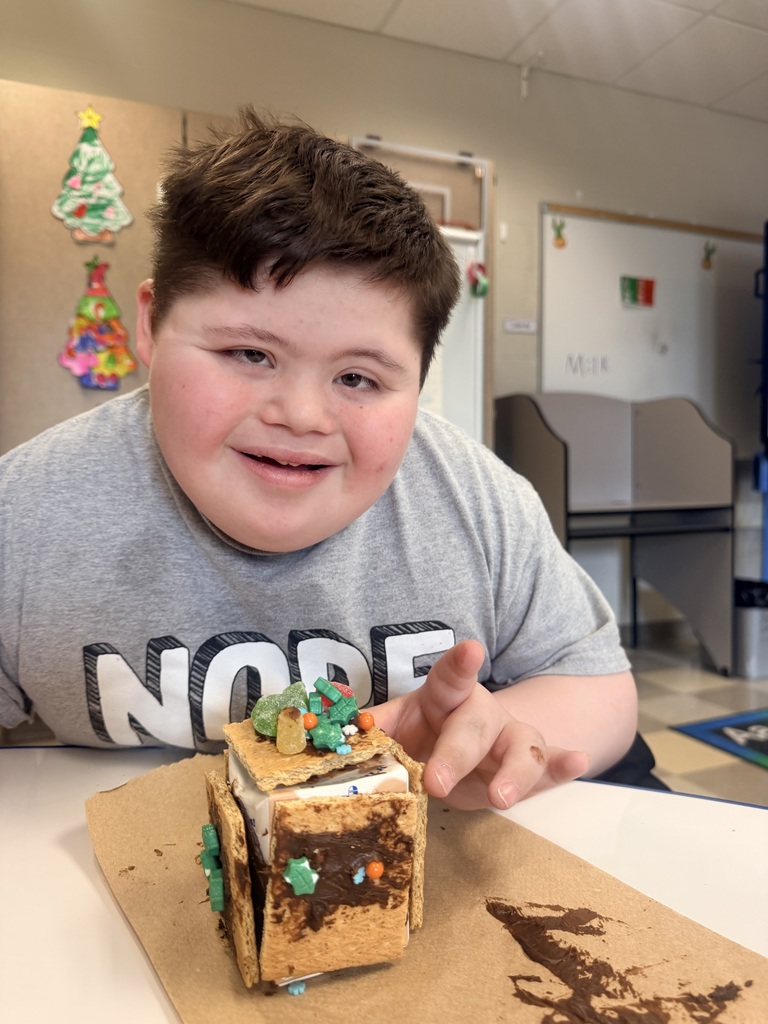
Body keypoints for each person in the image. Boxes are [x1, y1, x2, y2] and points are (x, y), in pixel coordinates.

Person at [0, 108, 641, 809]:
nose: (301, 415)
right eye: (249, 353)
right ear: (151, 325)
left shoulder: (477, 502)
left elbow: (597, 684)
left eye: (358, 378)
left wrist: (491, 741)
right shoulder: (26, 515)